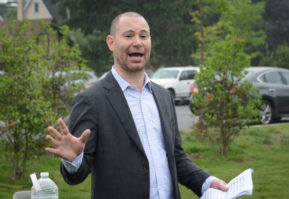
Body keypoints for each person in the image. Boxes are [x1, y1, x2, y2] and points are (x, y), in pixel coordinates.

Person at [45, 11, 228, 199]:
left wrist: (207, 182)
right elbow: (75, 176)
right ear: (111, 42)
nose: (138, 42)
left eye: (143, 36)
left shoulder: (164, 97)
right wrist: (74, 160)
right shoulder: (91, 100)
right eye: (129, 35)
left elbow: (176, 158)